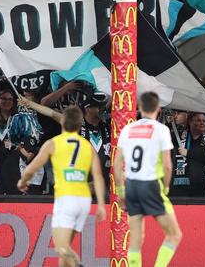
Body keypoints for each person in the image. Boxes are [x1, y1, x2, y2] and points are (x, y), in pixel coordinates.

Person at [17, 106, 106, 267]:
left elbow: (32, 167)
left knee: (61, 247)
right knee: (65, 252)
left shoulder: (53, 143)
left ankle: (78, 264)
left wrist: (22, 181)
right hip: (84, 201)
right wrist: (100, 203)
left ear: (63, 121)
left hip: (66, 199)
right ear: (80, 124)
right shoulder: (87, 146)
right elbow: (98, 176)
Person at [113, 92, 183, 267]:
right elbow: (167, 165)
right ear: (158, 109)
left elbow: (116, 165)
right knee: (174, 235)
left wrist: (121, 191)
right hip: (151, 185)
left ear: (139, 108)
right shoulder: (161, 130)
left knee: (136, 240)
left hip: (131, 185)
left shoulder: (127, 129)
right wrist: (165, 189)